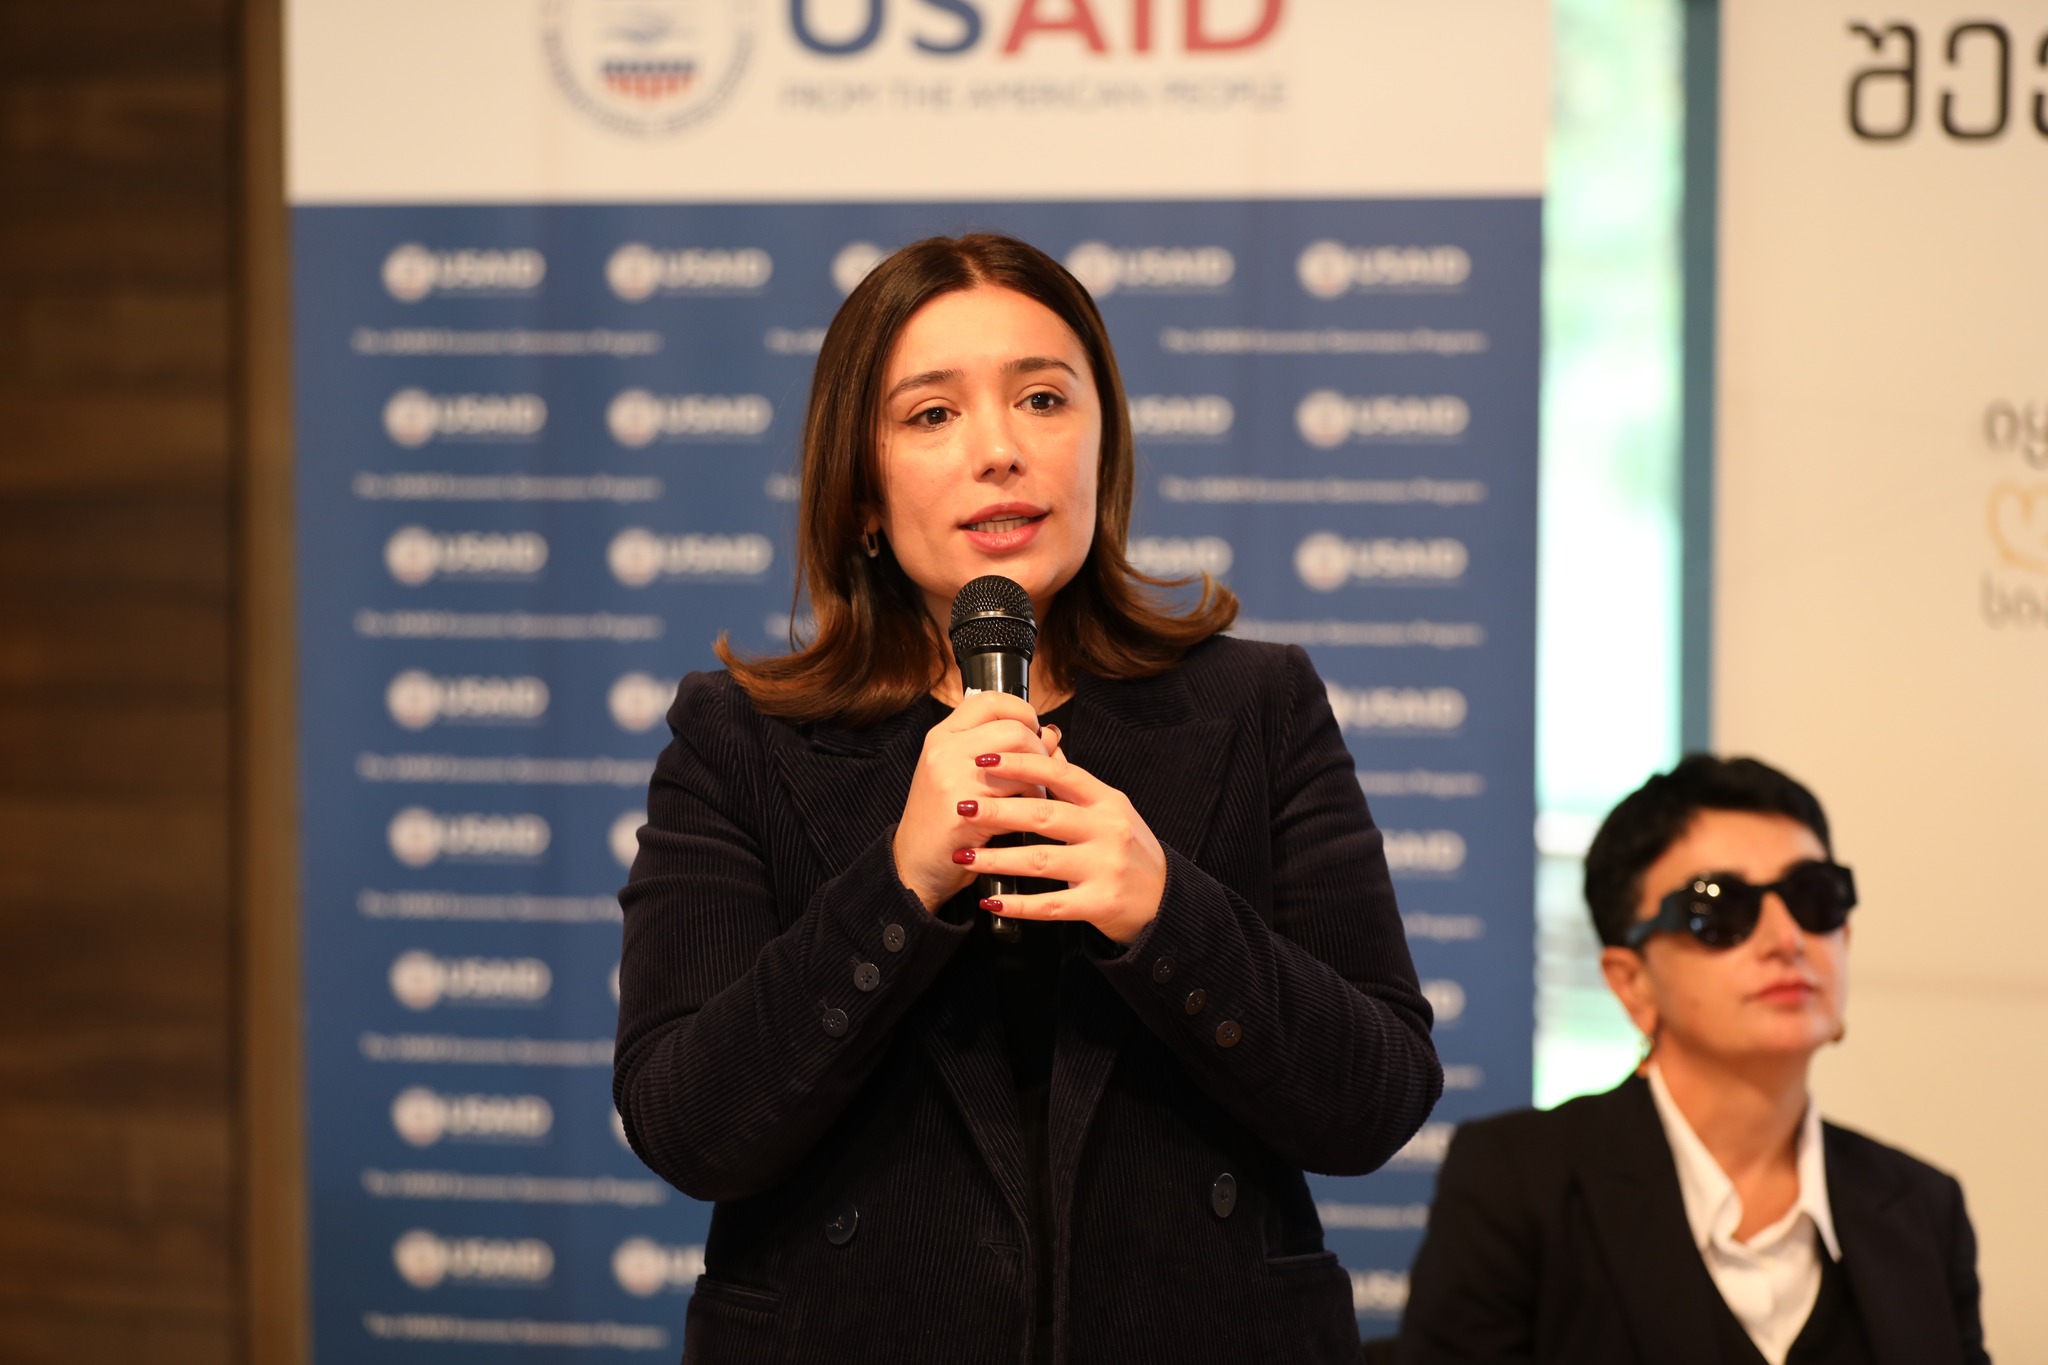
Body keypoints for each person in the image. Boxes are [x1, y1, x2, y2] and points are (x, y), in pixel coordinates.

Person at [612, 232, 1442, 1364]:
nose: (999, 450)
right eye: (932, 414)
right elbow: (686, 1127)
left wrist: (1167, 912)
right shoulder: (738, 738)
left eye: (1042, 398)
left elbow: (1376, 1100)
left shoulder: (1258, 706)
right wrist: (899, 884)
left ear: (1102, 445)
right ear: (860, 491)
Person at [1397, 755, 1989, 1364]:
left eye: (1813, 898)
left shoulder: (1923, 1208)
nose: (1787, 939)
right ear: (1632, 983)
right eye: (1722, 909)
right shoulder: (1518, 1182)